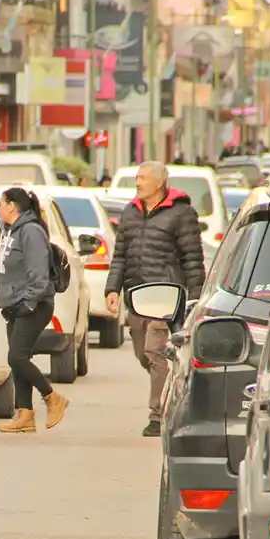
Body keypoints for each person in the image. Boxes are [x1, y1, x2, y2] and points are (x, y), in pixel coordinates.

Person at [104, 161, 206, 437]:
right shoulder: (130, 212)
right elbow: (120, 255)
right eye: (136, 177)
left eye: (142, 178)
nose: (137, 182)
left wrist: (194, 299)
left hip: (166, 297)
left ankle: (157, 416)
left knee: (155, 351)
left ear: (159, 183)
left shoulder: (182, 213)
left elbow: (193, 260)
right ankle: (173, 387)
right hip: (138, 297)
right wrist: (112, 289)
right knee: (143, 355)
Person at [0, 187, 70, 433]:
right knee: (20, 360)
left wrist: (28, 303)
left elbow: (38, 274)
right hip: (13, 305)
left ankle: (52, 398)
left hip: (33, 305)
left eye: (1, 204)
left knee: (16, 357)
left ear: (13, 206)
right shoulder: (10, 231)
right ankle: (24, 415)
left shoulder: (31, 231)